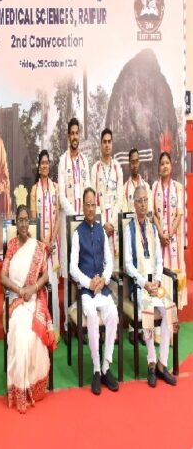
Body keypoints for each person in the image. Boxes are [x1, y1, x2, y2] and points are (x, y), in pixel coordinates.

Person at [0, 205, 56, 413]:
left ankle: (34, 385)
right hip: (16, 300)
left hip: (34, 299)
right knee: (19, 334)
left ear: (29, 222)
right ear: (16, 223)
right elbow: (3, 277)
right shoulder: (13, 246)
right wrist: (20, 289)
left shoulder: (38, 246)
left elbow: (45, 276)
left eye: (26, 220)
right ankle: (19, 389)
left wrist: (32, 288)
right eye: (20, 220)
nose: (23, 224)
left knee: (33, 335)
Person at [122, 184, 177, 388]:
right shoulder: (128, 230)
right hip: (140, 285)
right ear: (134, 204)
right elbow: (128, 265)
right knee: (147, 312)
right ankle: (151, 363)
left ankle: (163, 364)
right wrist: (145, 283)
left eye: (146, 200)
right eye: (140, 201)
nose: (143, 204)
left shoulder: (153, 228)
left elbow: (159, 261)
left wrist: (157, 281)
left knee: (169, 311)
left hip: (154, 282)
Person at [69, 188, 120, 395]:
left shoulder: (101, 230)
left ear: (96, 207)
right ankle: (97, 369)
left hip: (102, 288)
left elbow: (109, 262)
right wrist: (89, 282)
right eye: (87, 205)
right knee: (91, 315)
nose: (90, 208)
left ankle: (107, 366)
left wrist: (104, 279)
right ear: (83, 207)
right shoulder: (77, 233)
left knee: (113, 314)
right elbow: (73, 268)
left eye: (93, 205)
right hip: (87, 291)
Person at [58, 117, 89, 331]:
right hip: (69, 224)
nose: (75, 136)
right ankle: (69, 323)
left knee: (83, 269)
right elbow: (60, 195)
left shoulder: (85, 162)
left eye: (78, 133)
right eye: (72, 133)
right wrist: (76, 216)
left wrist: (84, 216)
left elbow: (88, 191)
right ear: (68, 136)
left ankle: (83, 320)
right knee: (70, 272)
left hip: (83, 226)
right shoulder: (62, 161)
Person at [29, 150, 61, 334]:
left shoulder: (55, 188)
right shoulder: (34, 190)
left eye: (47, 163)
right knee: (42, 286)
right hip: (41, 245)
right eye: (42, 163)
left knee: (54, 286)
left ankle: (55, 327)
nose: (45, 165)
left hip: (53, 244)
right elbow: (34, 220)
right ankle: (42, 328)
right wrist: (43, 241)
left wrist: (52, 239)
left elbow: (57, 218)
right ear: (38, 166)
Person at [151, 152, 186, 309]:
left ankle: (174, 320)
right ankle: (162, 313)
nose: (164, 166)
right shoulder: (154, 187)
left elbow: (179, 214)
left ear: (171, 166)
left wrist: (170, 234)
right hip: (159, 239)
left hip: (173, 241)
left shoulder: (178, 188)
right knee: (161, 273)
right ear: (159, 167)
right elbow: (153, 215)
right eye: (162, 163)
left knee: (174, 274)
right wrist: (160, 233)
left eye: (167, 163)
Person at [90, 128, 123, 271]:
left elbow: (120, 198)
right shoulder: (95, 169)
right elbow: (92, 200)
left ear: (112, 144)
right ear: (100, 144)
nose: (107, 145)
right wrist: (104, 223)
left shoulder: (118, 168)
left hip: (114, 227)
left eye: (109, 142)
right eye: (104, 142)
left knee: (115, 270)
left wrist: (112, 223)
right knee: (101, 268)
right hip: (100, 225)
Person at [123, 148, 150, 214]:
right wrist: (137, 217)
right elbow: (123, 216)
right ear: (129, 164)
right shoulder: (124, 189)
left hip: (145, 224)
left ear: (139, 163)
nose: (135, 165)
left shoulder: (146, 186)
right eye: (133, 162)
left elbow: (150, 212)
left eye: (136, 161)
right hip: (131, 224)